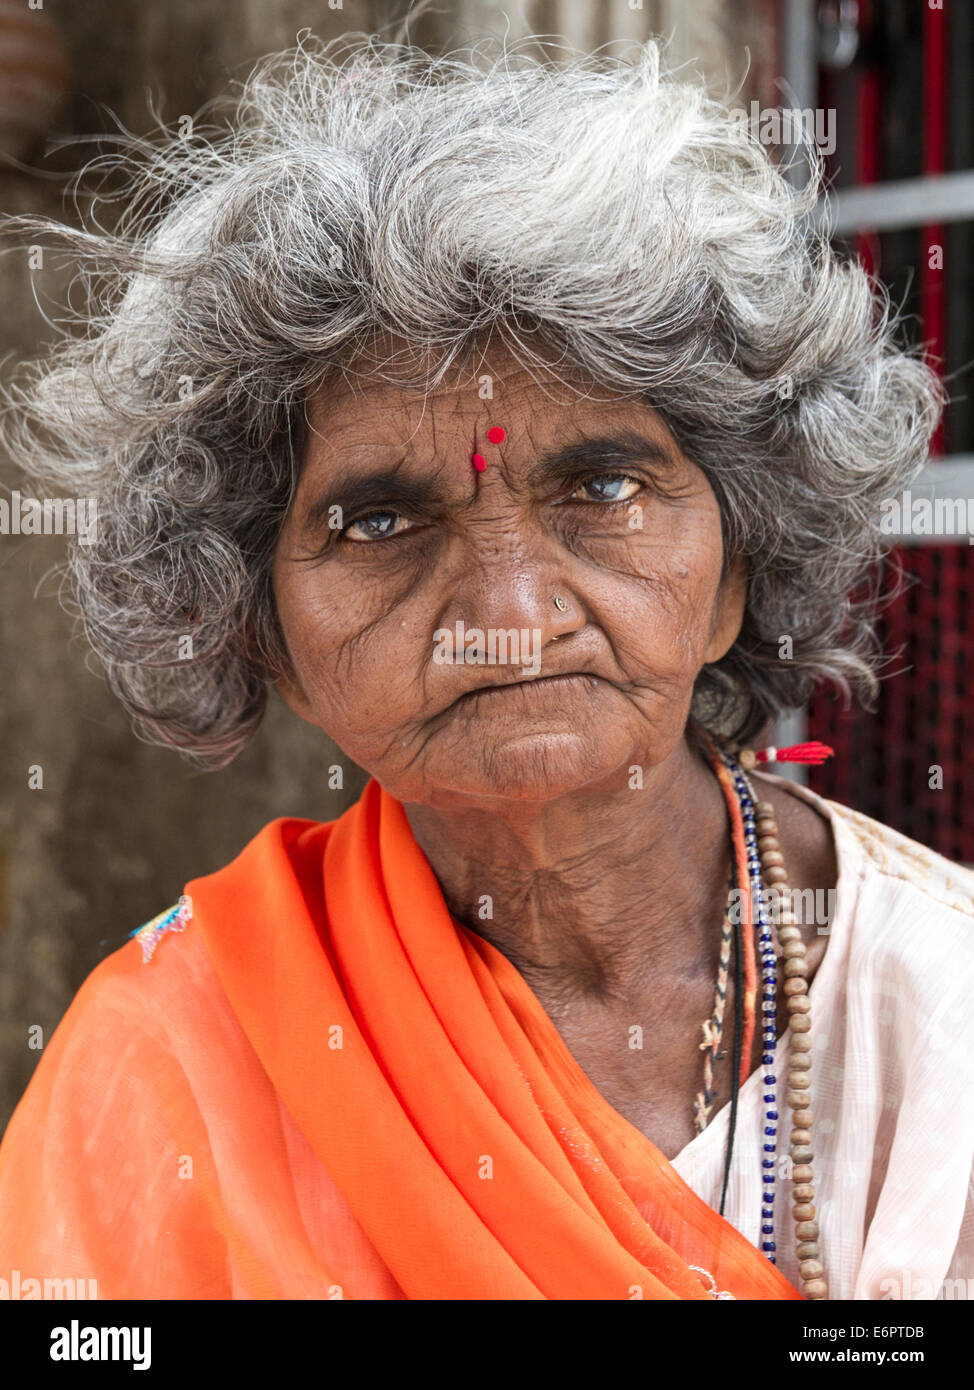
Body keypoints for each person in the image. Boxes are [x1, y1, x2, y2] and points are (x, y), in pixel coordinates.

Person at [0, 33, 970, 1301]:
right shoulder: (171, 1049)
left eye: (603, 486)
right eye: (381, 521)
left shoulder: (940, 1003)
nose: (508, 611)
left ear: (737, 566)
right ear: (260, 627)